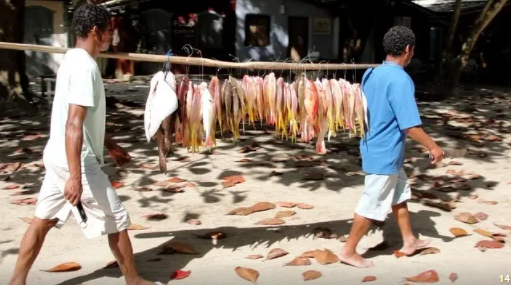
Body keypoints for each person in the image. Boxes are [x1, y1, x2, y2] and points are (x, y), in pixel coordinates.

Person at [8, 4, 159, 285]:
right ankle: (134, 281)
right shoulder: (86, 68)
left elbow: (82, 122)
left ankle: (16, 280)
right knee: (117, 218)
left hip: (56, 154)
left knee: (42, 220)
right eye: (108, 31)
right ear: (95, 31)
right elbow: (73, 125)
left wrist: (110, 145)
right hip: (74, 159)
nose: (111, 38)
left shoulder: (71, 59)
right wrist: (76, 178)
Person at [339, 26, 444, 268]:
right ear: (408, 50)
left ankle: (409, 241)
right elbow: (409, 125)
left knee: (399, 195)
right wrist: (433, 146)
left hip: (375, 145)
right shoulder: (401, 80)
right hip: (384, 152)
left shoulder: (370, 74)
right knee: (373, 203)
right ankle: (349, 251)